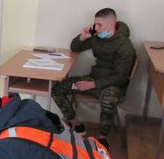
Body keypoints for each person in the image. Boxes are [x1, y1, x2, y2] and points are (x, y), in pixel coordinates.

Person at [51, 8, 136, 148]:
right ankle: (77, 124)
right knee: (57, 89)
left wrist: (93, 84)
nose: (96, 28)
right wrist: (82, 37)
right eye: (95, 24)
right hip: (93, 79)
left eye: (99, 25)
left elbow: (121, 77)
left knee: (108, 99)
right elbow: (75, 48)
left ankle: (102, 139)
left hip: (112, 85)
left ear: (111, 24)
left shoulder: (125, 46)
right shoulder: (97, 37)